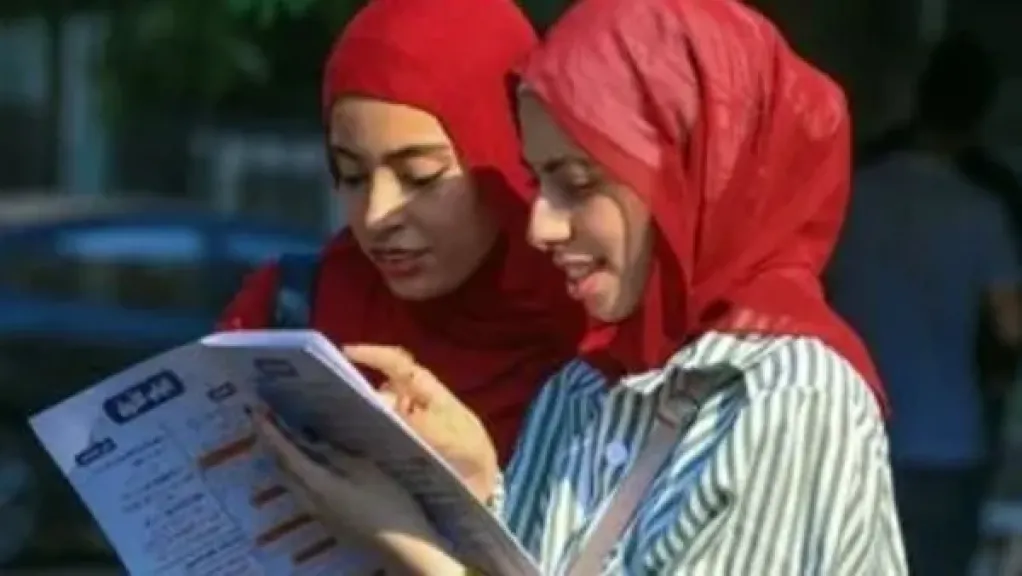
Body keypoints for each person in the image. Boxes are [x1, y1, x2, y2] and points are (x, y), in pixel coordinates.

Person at [254, 0, 907, 573]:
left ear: (692, 177)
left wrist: (408, 541)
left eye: (578, 184)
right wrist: (478, 488)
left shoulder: (787, 396)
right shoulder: (584, 386)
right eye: (537, 180)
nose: (540, 225)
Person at [219, 0, 585, 477]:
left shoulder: (597, 345)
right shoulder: (283, 320)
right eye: (352, 175)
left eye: (420, 177)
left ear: (506, 159)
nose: (377, 216)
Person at [827, 33, 1022, 576]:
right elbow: (1011, 327)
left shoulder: (851, 191)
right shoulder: (984, 207)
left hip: (847, 427)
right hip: (946, 437)